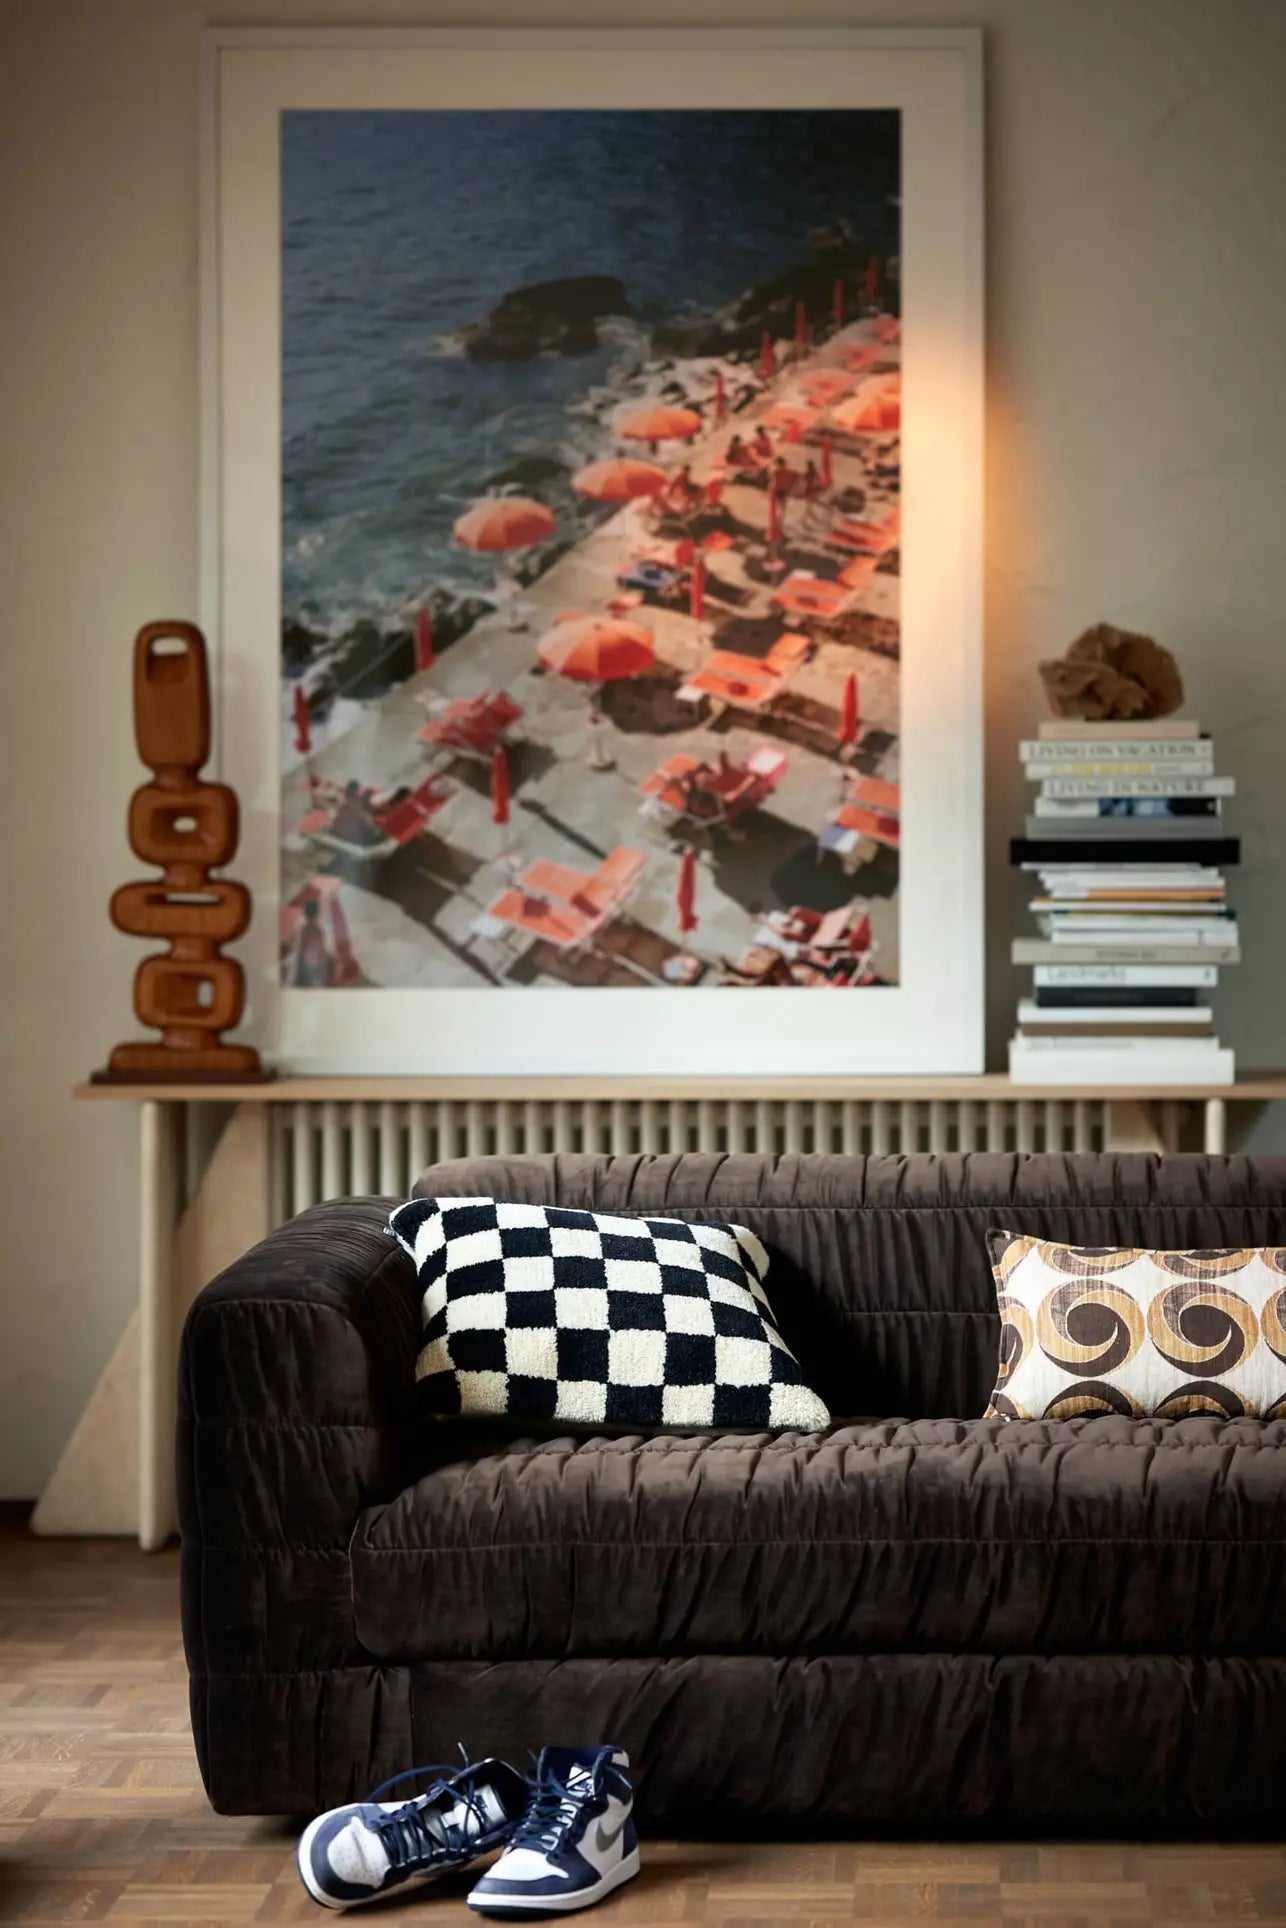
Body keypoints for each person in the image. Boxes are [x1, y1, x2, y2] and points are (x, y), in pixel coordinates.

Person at [290, 897, 334, 987]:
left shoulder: (303, 930)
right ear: (317, 913)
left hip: (305, 966)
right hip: (316, 966)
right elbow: (322, 952)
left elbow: (300, 950)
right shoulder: (319, 931)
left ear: (305, 913)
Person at [330, 779, 383, 848]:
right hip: (356, 839)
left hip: (341, 834)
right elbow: (368, 823)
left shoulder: (345, 804)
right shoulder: (359, 805)